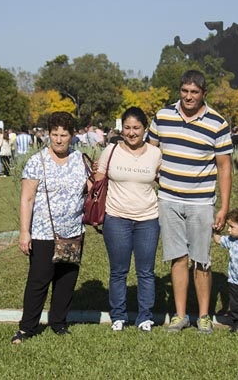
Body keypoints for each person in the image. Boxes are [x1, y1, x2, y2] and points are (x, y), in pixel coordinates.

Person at [148, 69, 233, 334]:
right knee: (178, 258)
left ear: (203, 94)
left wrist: (224, 207)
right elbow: (151, 151)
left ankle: (204, 316)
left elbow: (225, 167)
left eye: (194, 92)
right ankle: (180, 315)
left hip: (201, 202)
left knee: (202, 260)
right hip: (168, 199)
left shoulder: (217, 123)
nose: (188, 96)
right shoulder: (163, 117)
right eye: (184, 91)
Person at [12, 112, 91, 344]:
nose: (58, 139)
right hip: (43, 232)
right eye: (54, 134)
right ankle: (27, 327)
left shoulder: (80, 160)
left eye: (63, 135)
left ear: (72, 136)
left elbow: (90, 189)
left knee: (66, 280)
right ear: (48, 135)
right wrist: (24, 232)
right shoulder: (37, 161)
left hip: (73, 231)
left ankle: (59, 322)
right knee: (38, 281)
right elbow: (27, 199)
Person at [96, 107, 162, 332]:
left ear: (145, 129)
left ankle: (145, 316)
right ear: (121, 128)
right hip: (116, 218)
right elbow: (98, 179)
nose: (132, 133)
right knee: (118, 270)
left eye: (136, 128)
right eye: (127, 128)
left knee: (146, 271)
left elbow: (165, 180)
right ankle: (118, 316)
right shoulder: (111, 150)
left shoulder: (155, 153)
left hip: (148, 219)